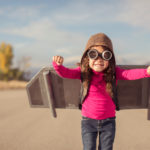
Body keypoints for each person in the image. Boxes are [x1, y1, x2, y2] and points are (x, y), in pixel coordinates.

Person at [52, 33, 150, 150]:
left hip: (109, 122)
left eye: (105, 55)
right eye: (93, 54)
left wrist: (146, 72)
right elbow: (66, 73)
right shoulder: (83, 73)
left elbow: (128, 74)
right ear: (87, 58)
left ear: (110, 59)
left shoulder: (114, 73)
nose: (99, 59)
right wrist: (58, 66)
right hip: (88, 122)